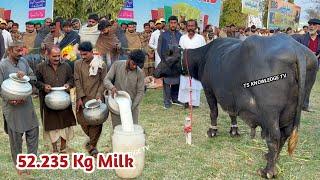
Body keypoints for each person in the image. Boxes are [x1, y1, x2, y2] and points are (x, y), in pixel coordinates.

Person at [0, 41, 39, 175]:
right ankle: (19, 164)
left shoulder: (24, 62)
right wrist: (10, 99)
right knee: (16, 136)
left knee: (33, 131)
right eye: (17, 51)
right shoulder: (2, 65)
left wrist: (26, 77)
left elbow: (33, 77)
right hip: (12, 107)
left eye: (21, 50)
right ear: (10, 50)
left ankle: (31, 162)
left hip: (27, 104)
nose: (21, 53)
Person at [35, 46, 76, 153]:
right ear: (48, 55)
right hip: (48, 101)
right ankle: (54, 148)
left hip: (64, 100)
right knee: (51, 125)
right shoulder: (41, 67)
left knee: (65, 124)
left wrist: (69, 84)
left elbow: (72, 78)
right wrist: (44, 86)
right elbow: (36, 81)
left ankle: (63, 147)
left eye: (59, 56)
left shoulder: (66, 66)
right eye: (54, 56)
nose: (57, 58)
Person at [74, 41, 107, 157]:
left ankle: (92, 146)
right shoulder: (78, 64)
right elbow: (77, 81)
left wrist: (99, 94)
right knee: (83, 121)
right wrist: (79, 97)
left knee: (96, 122)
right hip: (82, 98)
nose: (83, 57)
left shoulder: (101, 64)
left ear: (91, 52)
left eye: (85, 54)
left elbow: (104, 81)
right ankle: (92, 141)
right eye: (81, 54)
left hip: (96, 98)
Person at [104, 49, 145, 128]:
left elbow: (140, 91)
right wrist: (112, 87)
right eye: (133, 63)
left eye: (137, 65)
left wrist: (132, 107)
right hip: (116, 105)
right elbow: (106, 80)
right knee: (118, 130)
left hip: (132, 106)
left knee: (132, 130)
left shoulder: (140, 73)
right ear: (129, 59)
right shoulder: (117, 65)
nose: (134, 66)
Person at [293, 18, 320, 112]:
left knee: (308, 86)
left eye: (314, 24)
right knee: (298, 84)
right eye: (310, 24)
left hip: (314, 66)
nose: (311, 26)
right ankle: (294, 104)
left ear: (318, 26)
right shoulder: (302, 38)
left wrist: (316, 56)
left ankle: (305, 105)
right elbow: (297, 50)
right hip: (302, 64)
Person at [178, 19, 206, 108]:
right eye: (189, 26)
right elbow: (180, 52)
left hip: (196, 66)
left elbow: (204, 52)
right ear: (186, 27)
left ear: (196, 27)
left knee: (195, 84)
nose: (190, 28)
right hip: (185, 65)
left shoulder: (200, 38)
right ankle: (185, 101)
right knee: (184, 83)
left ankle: (194, 103)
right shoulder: (183, 38)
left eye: (192, 26)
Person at [157, 16, 183, 109]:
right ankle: (167, 101)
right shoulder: (163, 35)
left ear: (177, 24)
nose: (173, 25)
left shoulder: (180, 35)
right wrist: (165, 61)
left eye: (174, 23)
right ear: (168, 24)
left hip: (177, 62)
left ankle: (175, 98)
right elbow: (159, 49)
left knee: (177, 81)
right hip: (167, 62)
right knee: (167, 82)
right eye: (171, 23)